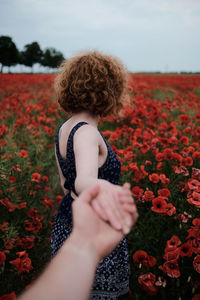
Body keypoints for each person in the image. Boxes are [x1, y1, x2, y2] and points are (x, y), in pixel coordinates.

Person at [51, 50, 133, 299]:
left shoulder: (65, 128)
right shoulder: (86, 133)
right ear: (109, 91)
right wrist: (110, 192)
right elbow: (82, 180)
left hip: (67, 222)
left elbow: (67, 186)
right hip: (92, 228)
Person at [19, 184, 138, 300]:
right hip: (98, 214)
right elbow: (81, 181)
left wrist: (82, 242)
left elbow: (64, 184)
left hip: (69, 213)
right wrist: (114, 191)